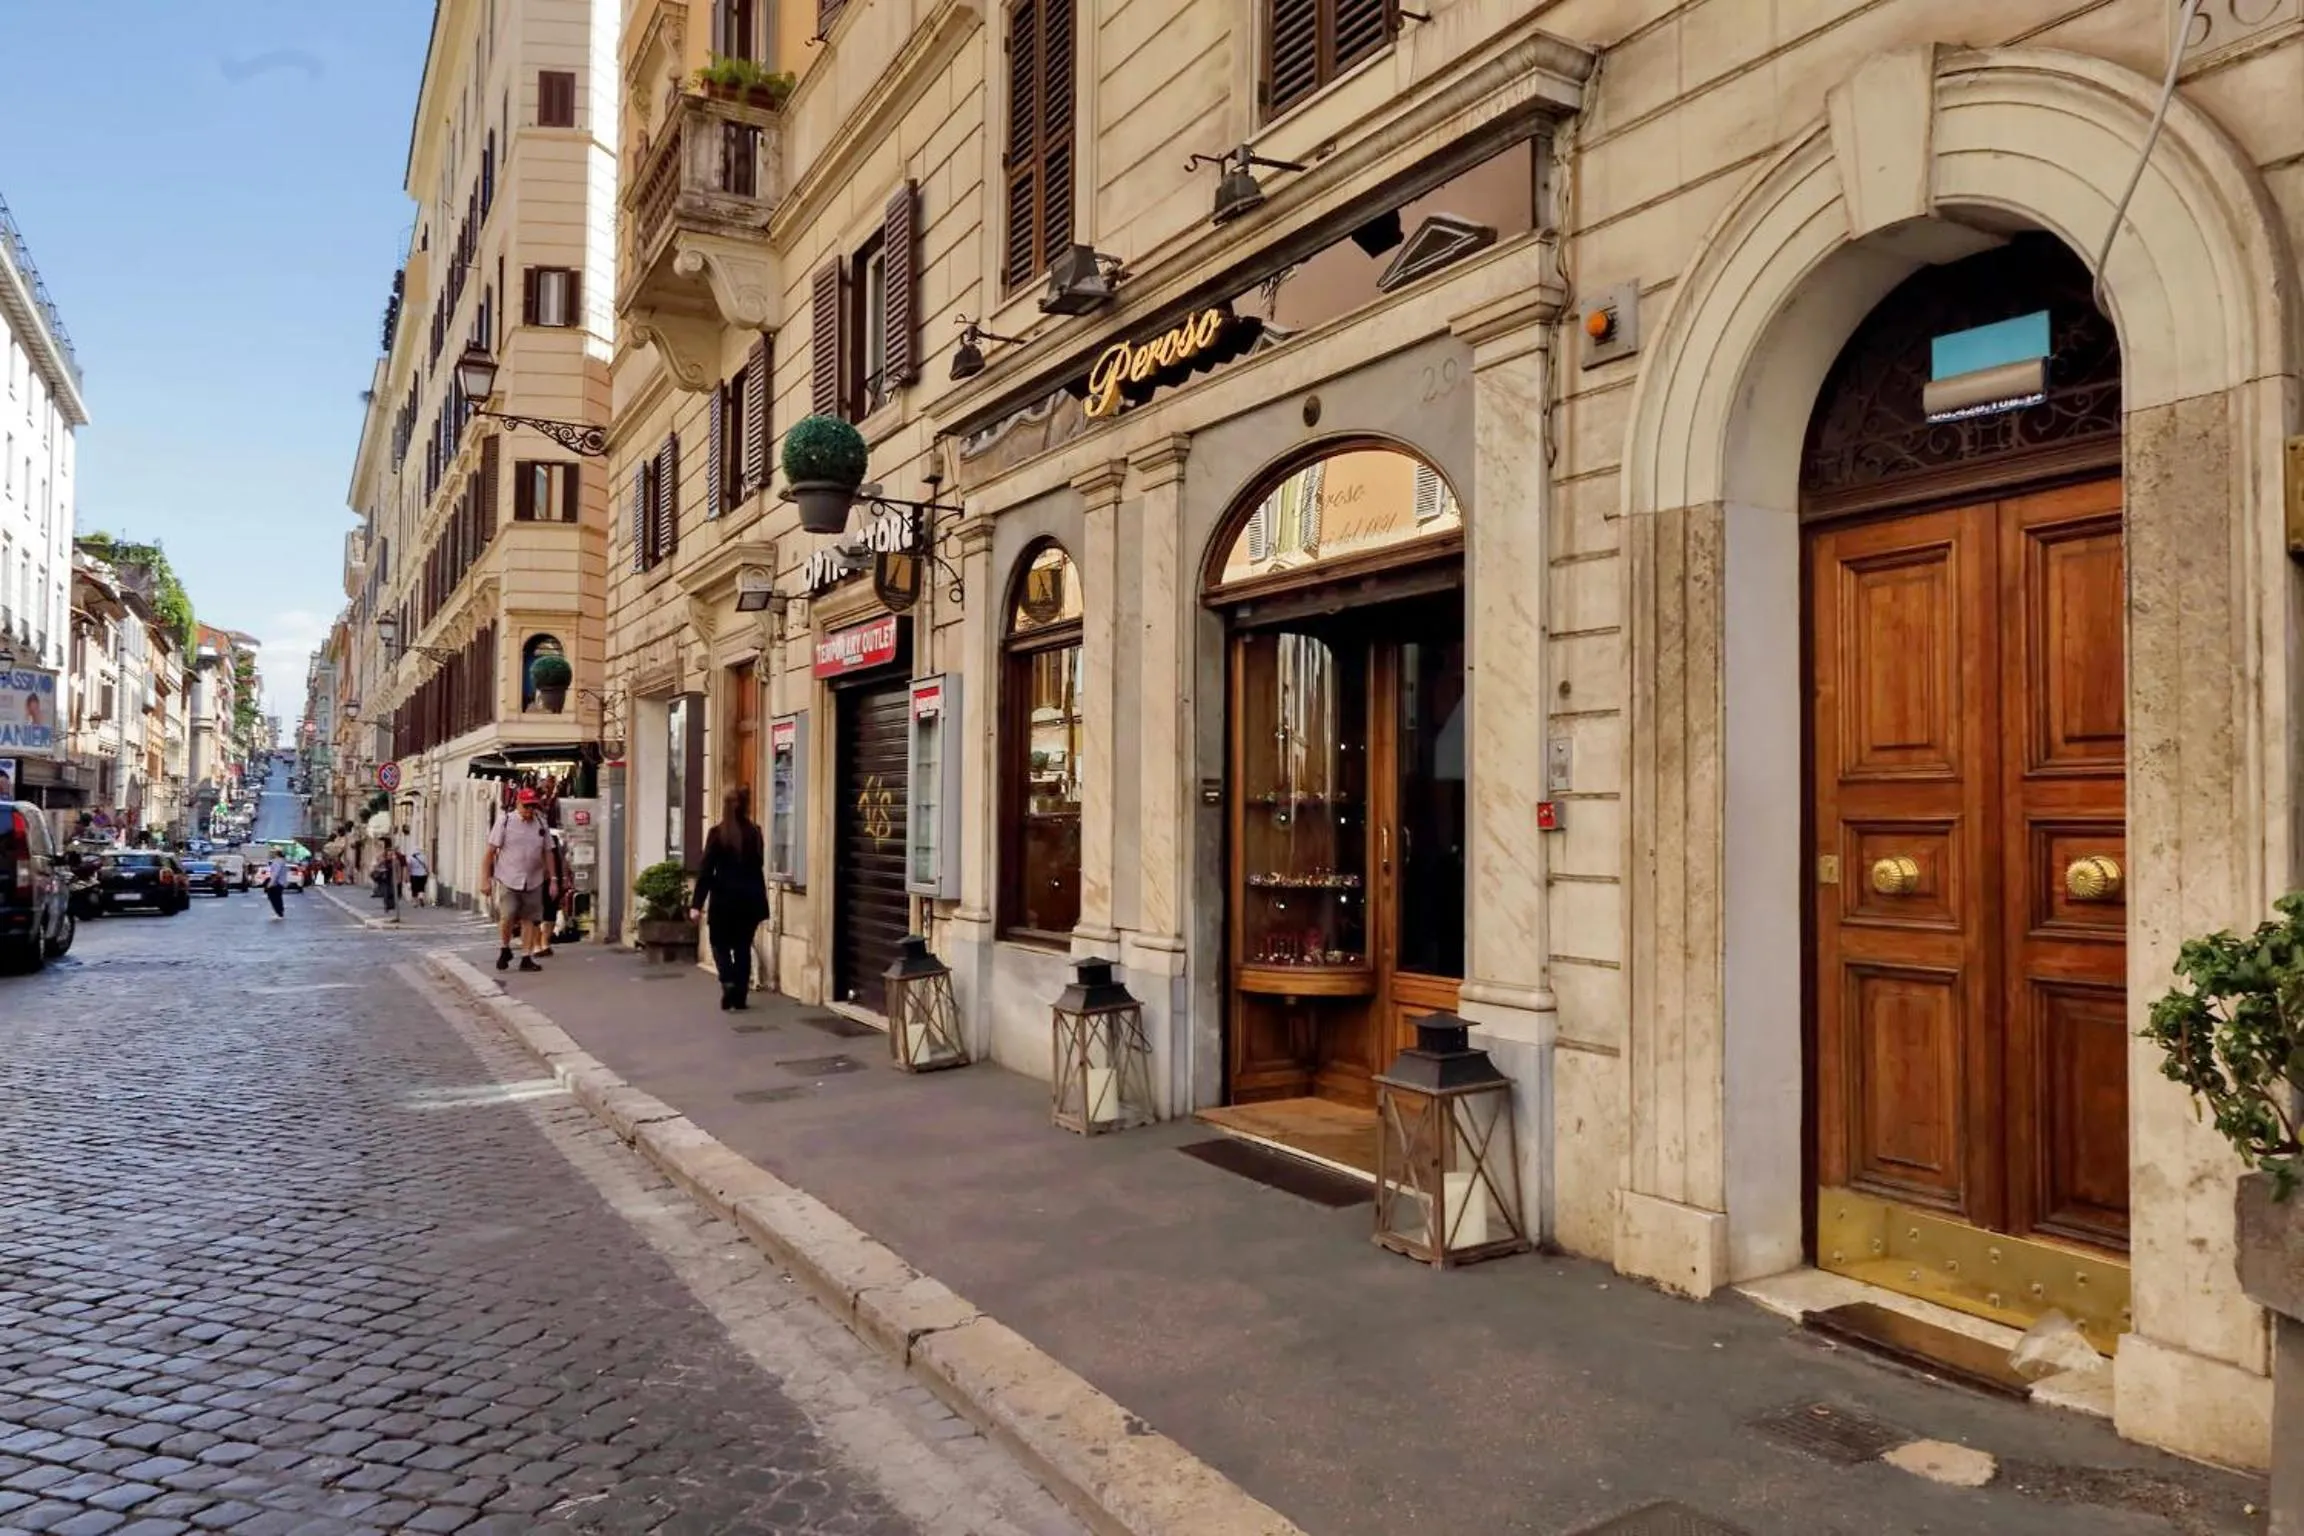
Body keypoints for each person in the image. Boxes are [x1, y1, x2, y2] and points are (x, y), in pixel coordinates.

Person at [690, 785, 768, 1012]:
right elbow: (759, 865)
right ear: (746, 806)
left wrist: (696, 904)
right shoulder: (755, 832)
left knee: (719, 945)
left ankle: (728, 980)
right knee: (743, 947)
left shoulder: (717, 833)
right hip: (750, 900)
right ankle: (740, 996)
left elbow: (705, 870)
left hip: (724, 900)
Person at [482, 788, 554, 973]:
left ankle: (526, 957)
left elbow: (548, 852)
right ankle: (505, 948)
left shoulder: (540, 823)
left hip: (534, 879)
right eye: (526, 806)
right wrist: (485, 880)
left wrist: (553, 879)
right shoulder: (505, 821)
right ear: (518, 803)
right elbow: (490, 853)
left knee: (530, 918)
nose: (529, 810)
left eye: (532, 806)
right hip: (508, 878)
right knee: (508, 916)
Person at [264, 847, 289, 920]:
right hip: (280, 882)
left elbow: (276, 873)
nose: (271, 854)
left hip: (277, 883)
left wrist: (271, 883)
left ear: (276, 854)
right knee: (277, 897)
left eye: (273, 852)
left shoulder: (278, 861)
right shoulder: (282, 861)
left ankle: (279, 913)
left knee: (274, 898)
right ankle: (279, 912)